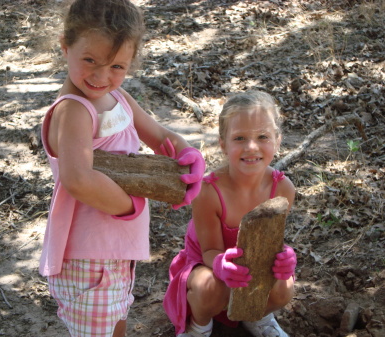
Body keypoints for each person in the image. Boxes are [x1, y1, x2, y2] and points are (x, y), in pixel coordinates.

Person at [38, 1, 205, 336]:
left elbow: (158, 135)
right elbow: (78, 179)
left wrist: (188, 155)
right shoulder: (74, 111)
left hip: (112, 251)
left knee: (115, 323)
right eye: (90, 61)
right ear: (65, 46)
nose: (101, 76)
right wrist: (131, 206)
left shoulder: (118, 98)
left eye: (116, 66)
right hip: (86, 256)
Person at [163, 90, 297, 337]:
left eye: (263, 136)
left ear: (278, 141)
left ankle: (257, 316)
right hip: (207, 265)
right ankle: (200, 326)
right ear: (223, 143)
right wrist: (221, 265)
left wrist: (284, 257)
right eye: (240, 138)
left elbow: (272, 240)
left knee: (285, 287)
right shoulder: (208, 191)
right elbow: (208, 251)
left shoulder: (283, 188)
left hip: (253, 266)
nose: (251, 147)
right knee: (211, 288)